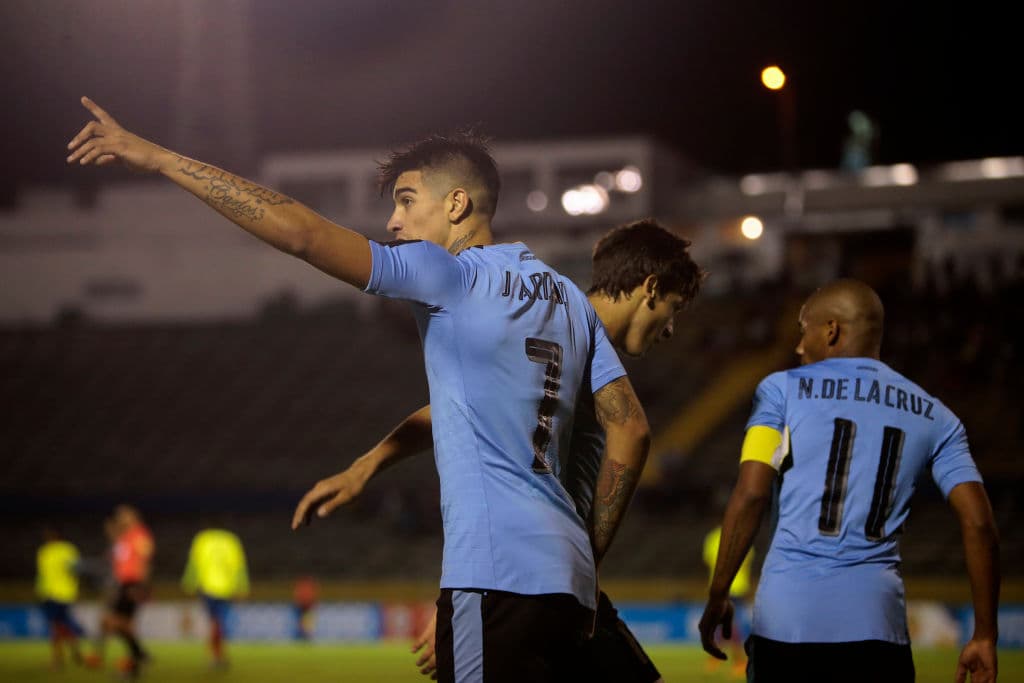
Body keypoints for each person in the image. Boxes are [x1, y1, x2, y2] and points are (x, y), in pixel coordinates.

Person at [68, 98, 650, 682]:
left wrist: (159, 159)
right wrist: (369, 464)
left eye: (405, 201)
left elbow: (301, 233)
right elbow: (628, 425)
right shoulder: (567, 297)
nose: (394, 223)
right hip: (569, 580)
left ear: (457, 204)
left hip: (495, 571)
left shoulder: (449, 273)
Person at [293, 219, 706, 682]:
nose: (669, 329)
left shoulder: (555, 325)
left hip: (532, 585)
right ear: (649, 288)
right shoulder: (579, 334)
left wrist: (366, 467)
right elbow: (632, 432)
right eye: (674, 309)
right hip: (539, 583)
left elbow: (455, 410)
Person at [699, 279, 1000, 683]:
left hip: (787, 625)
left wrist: (719, 594)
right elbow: (979, 522)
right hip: (877, 629)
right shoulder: (937, 417)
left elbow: (752, 493)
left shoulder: (780, 391)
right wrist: (984, 634)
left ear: (831, 330)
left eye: (803, 329)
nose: (798, 346)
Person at [86, 505, 155, 678]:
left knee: (113, 622)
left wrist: (140, 586)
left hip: (132, 584)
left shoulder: (139, 534)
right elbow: (117, 549)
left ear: (134, 517)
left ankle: (137, 657)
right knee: (122, 625)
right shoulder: (124, 538)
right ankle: (136, 661)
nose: (121, 518)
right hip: (123, 584)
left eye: (124, 515)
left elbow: (146, 559)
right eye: (119, 516)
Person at [181, 527, 250, 668]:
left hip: (208, 588)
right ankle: (217, 656)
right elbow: (239, 566)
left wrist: (188, 583)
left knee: (215, 623)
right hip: (226, 589)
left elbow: (194, 563)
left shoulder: (202, 539)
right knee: (218, 623)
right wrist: (242, 586)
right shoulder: (231, 539)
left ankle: (216, 656)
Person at [702, 524, 752, 677]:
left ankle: (733, 659)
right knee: (727, 623)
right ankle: (729, 658)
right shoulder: (743, 534)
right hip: (738, 585)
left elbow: (709, 559)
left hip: (721, 585)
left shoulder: (713, 537)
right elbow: (748, 558)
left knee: (725, 623)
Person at [36, 526, 85, 669]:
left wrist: (76, 589)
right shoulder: (44, 551)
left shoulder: (67, 550)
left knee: (57, 626)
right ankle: (74, 654)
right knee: (60, 625)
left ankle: (58, 659)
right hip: (48, 594)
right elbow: (43, 574)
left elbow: (75, 570)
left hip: (63, 594)